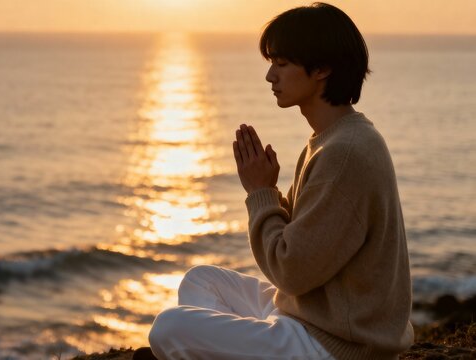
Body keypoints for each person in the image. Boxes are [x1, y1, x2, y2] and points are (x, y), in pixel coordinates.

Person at [134, 2, 413, 359]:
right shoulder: (331, 139)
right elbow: (312, 241)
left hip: (335, 344)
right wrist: (274, 195)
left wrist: (261, 193)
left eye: (281, 64)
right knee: (201, 280)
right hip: (314, 314)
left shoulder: (346, 153)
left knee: (169, 327)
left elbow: (291, 270)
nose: (270, 76)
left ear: (322, 69)